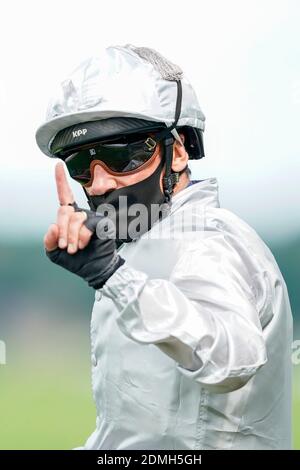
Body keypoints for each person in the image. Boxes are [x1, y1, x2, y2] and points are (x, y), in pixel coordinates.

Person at [35, 44, 293, 450]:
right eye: (82, 165)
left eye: (122, 156)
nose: (99, 183)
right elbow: (134, 434)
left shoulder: (209, 240)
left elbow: (234, 358)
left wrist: (111, 276)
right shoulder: (138, 245)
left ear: (176, 153)